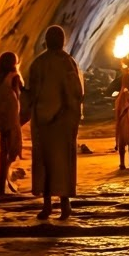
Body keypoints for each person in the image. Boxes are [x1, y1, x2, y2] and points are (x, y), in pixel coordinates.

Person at [28, 25, 84, 220]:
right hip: (63, 124)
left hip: (43, 123)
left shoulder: (38, 63)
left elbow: (32, 94)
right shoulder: (67, 62)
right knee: (62, 164)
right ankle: (64, 205)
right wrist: (72, 115)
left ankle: (47, 206)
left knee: (45, 164)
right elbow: (76, 93)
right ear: (62, 41)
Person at [0, 51, 26, 195]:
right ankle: (5, 181)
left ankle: (1, 186)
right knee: (13, 150)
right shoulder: (14, 76)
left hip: (2, 115)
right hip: (11, 116)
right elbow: (20, 93)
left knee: (4, 150)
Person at [114, 62, 129, 171]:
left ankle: (123, 163)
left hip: (125, 122)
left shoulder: (122, 96)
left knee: (122, 141)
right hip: (128, 122)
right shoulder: (128, 97)